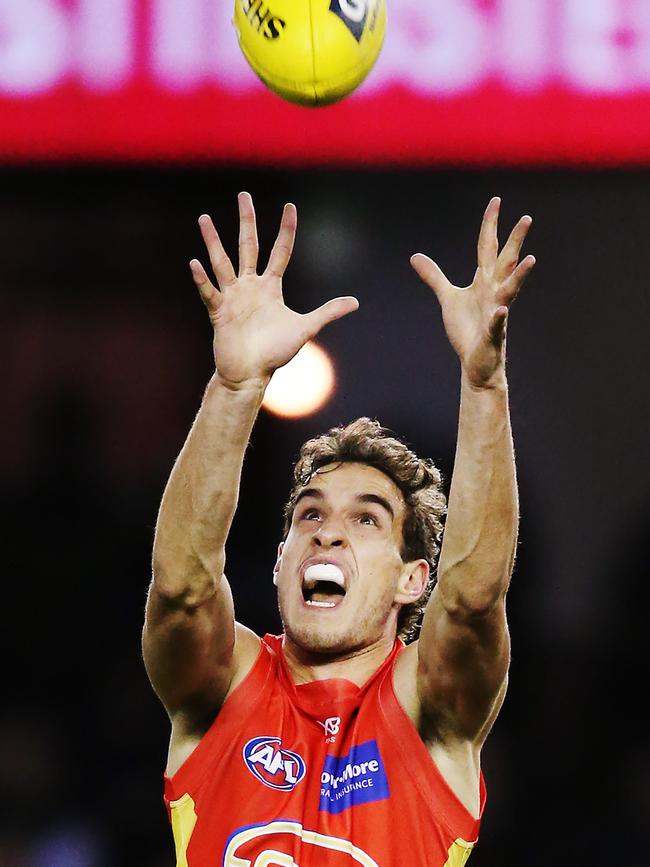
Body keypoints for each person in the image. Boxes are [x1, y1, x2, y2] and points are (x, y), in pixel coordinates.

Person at [143, 192, 535, 866]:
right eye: (310, 514)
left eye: (365, 518)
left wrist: (483, 383)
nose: (327, 533)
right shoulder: (230, 684)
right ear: (279, 560)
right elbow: (180, 587)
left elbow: (471, 599)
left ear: (414, 579)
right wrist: (235, 388)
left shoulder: (424, 709)